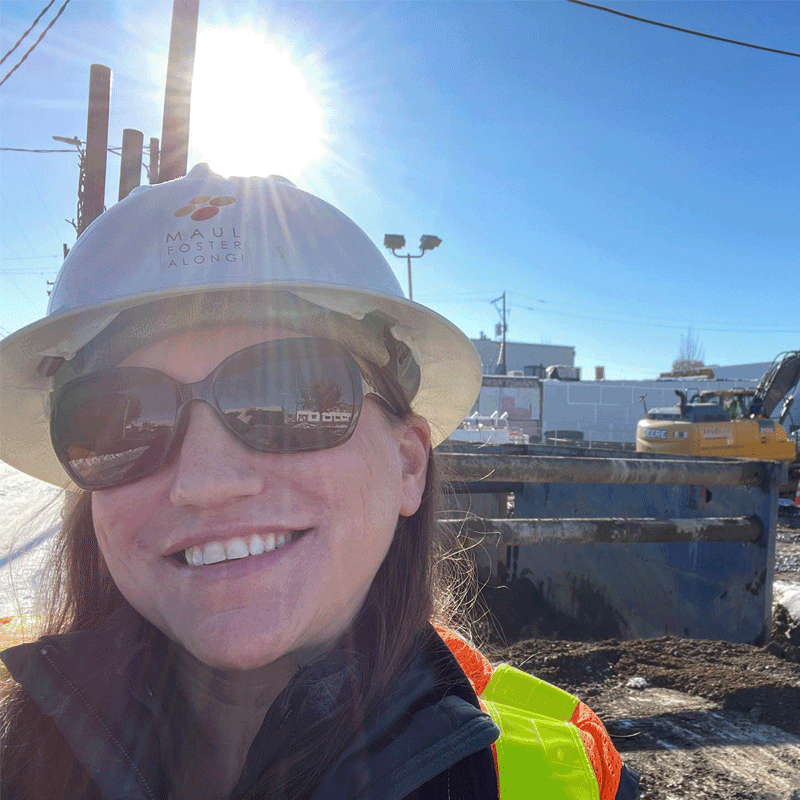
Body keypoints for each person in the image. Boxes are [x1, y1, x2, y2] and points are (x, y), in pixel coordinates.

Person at [0, 164, 639, 799]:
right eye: (119, 420)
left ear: (408, 464)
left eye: (285, 395)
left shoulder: (560, 779)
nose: (205, 481)